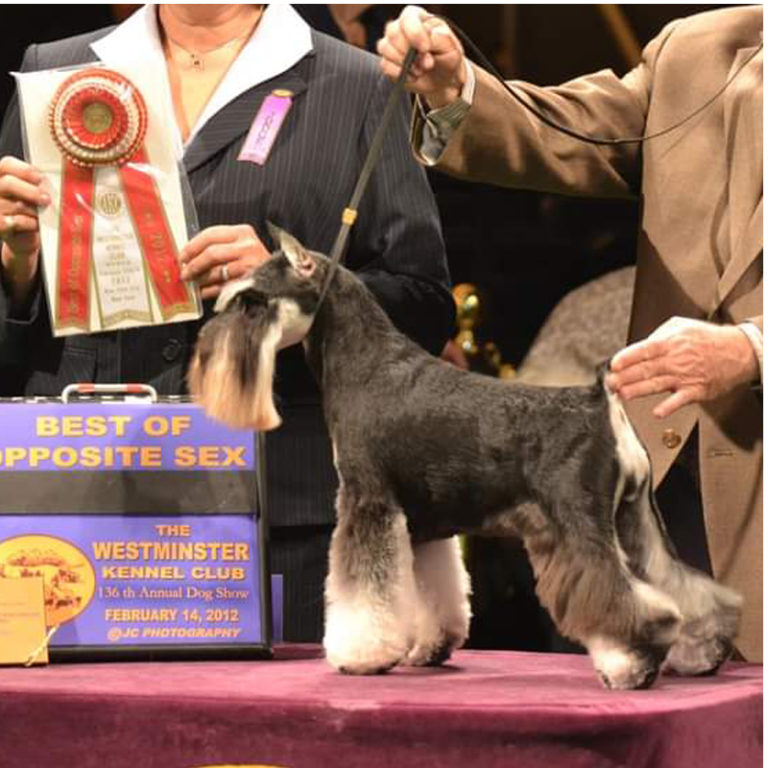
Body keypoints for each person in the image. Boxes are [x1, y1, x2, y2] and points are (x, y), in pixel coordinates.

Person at [0, 4, 455, 641]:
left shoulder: (359, 84)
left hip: (282, 514)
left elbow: (425, 306)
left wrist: (294, 289)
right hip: (74, 506)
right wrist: (19, 267)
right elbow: (15, 324)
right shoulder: (57, 71)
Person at [378, 5, 763, 661]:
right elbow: (567, 133)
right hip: (682, 480)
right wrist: (454, 89)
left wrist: (754, 348)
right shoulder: (699, 49)